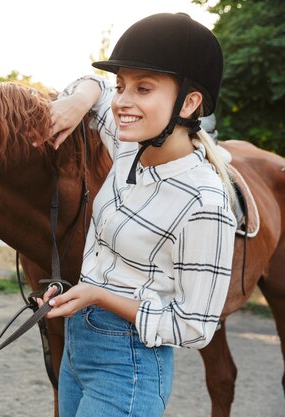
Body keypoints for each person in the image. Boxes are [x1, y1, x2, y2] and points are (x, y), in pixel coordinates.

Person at [37, 13, 237, 417]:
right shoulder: (131, 146)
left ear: (190, 102)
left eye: (143, 88)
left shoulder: (205, 203)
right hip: (79, 346)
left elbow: (194, 327)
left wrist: (97, 295)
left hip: (128, 366)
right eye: (121, 86)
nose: (123, 101)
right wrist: (82, 99)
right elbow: (86, 87)